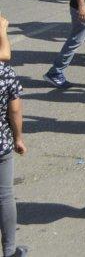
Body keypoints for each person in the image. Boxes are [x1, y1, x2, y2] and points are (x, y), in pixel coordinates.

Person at [0, 16, 27, 256]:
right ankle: (9, 250)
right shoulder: (4, 72)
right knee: (5, 195)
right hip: (2, 143)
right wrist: (18, 137)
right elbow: (15, 109)